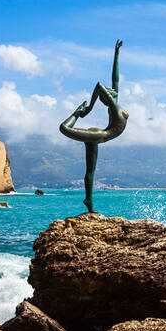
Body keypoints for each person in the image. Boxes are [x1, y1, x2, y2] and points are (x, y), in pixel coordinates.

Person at [59, 39, 128, 212]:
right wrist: (88, 108)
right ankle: (76, 113)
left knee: (90, 171)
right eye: (110, 93)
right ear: (108, 99)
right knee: (64, 128)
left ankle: (89, 201)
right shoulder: (113, 106)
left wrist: (116, 54)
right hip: (99, 135)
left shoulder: (115, 102)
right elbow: (98, 86)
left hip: (99, 136)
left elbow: (116, 79)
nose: (113, 92)